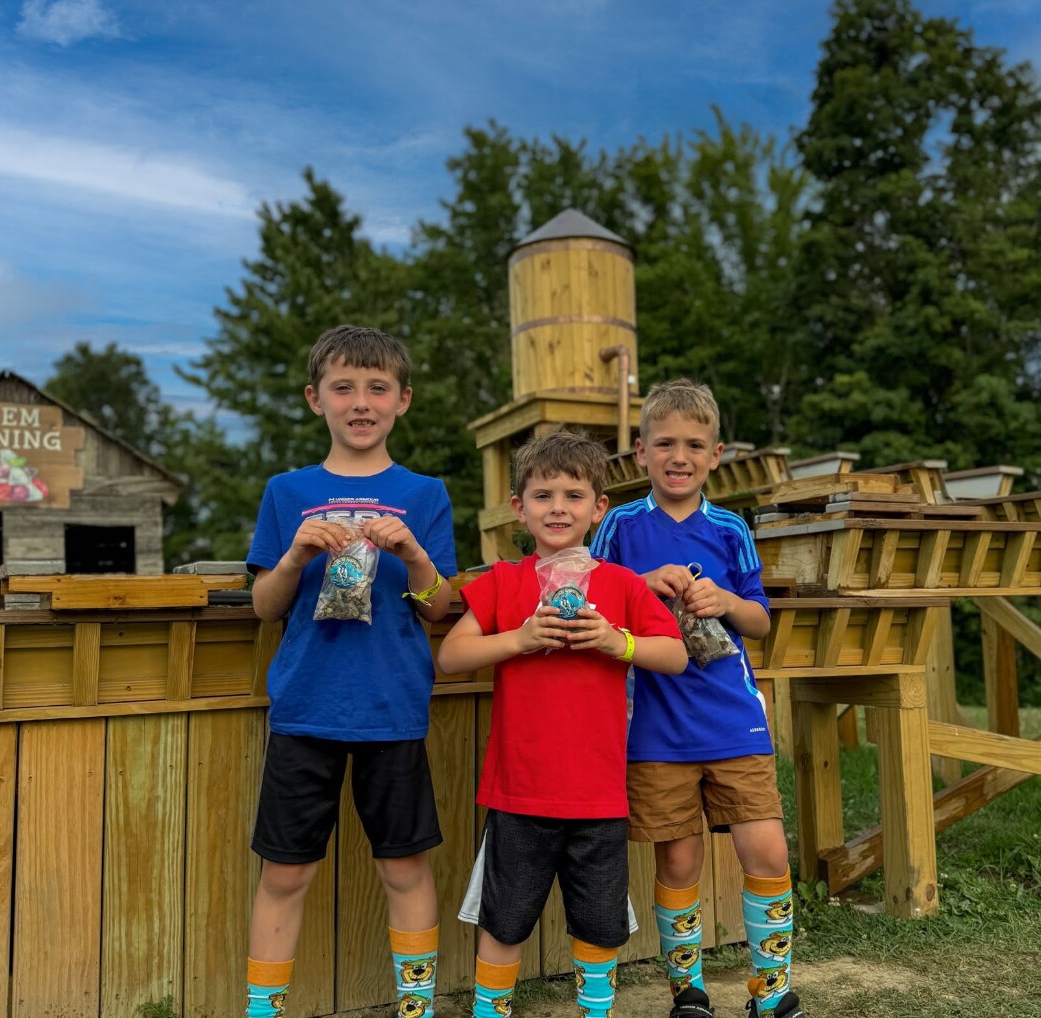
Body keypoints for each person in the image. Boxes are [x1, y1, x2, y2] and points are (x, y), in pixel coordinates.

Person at [244, 325, 456, 1018]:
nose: (360, 402)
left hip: (393, 709)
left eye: (377, 388)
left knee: (404, 867)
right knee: (285, 873)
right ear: (316, 399)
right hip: (304, 708)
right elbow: (265, 607)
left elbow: (438, 607)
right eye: (343, 388)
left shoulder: (426, 493)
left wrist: (415, 555)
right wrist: (294, 556)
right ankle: (264, 1011)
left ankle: (416, 1009)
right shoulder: (287, 491)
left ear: (403, 400)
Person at [438, 431, 688, 1018]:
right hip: (519, 792)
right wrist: (520, 638)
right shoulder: (504, 581)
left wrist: (617, 641)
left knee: (599, 924)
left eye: (573, 496)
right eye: (542, 495)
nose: (558, 508)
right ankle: (490, 1011)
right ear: (519, 508)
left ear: (598, 508)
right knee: (504, 919)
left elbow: (675, 655)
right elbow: (450, 657)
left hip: (600, 794)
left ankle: (594, 1010)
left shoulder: (623, 584)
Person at [590, 379, 805, 1018]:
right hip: (654, 724)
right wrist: (641, 584)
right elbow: (590, 595)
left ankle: (772, 993)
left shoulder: (731, 528)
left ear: (716, 455)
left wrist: (728, 600)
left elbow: (760, 620)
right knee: (679, 860)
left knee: (766, 850)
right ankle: (689, 993)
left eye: (693, 445)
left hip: (733, 718)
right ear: (641, 453)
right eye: (664, 444)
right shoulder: (620, 525)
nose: (678, 456)